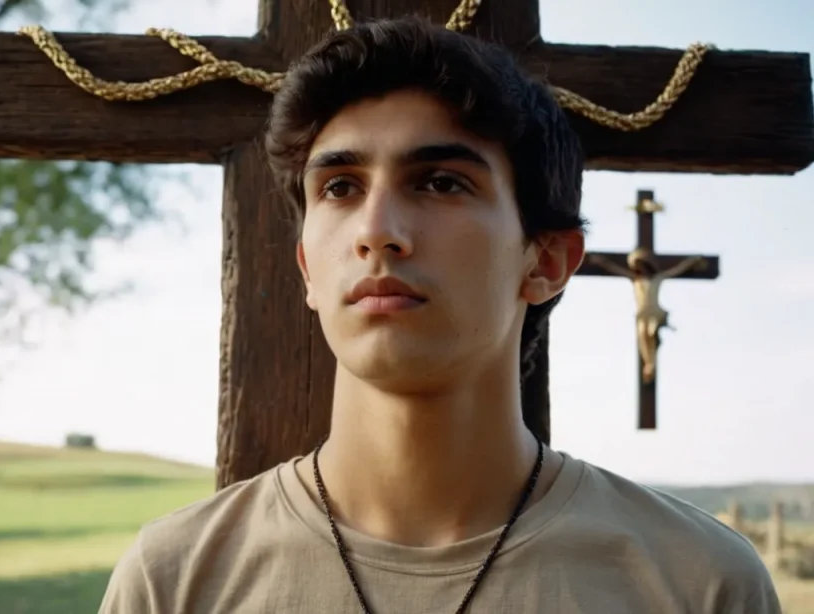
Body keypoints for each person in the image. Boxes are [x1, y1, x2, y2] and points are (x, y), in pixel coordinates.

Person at [98, 17, 780, 614]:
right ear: (307, 267)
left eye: (441, 182)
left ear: (545, 261)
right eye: (339, 187)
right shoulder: (176, 581)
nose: (378, 230)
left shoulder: (696, 585)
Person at [587, 249, 707, 383]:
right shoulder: (635, 280)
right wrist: (601, 262)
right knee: (643, 338)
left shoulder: (657, 278)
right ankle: (649, 365)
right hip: (642, 314)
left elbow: (676, 270)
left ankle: (652, 359)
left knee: (651, 333)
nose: (638, 268)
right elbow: (615, 269)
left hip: (655, 311)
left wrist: (691, 261)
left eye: (640, 264)